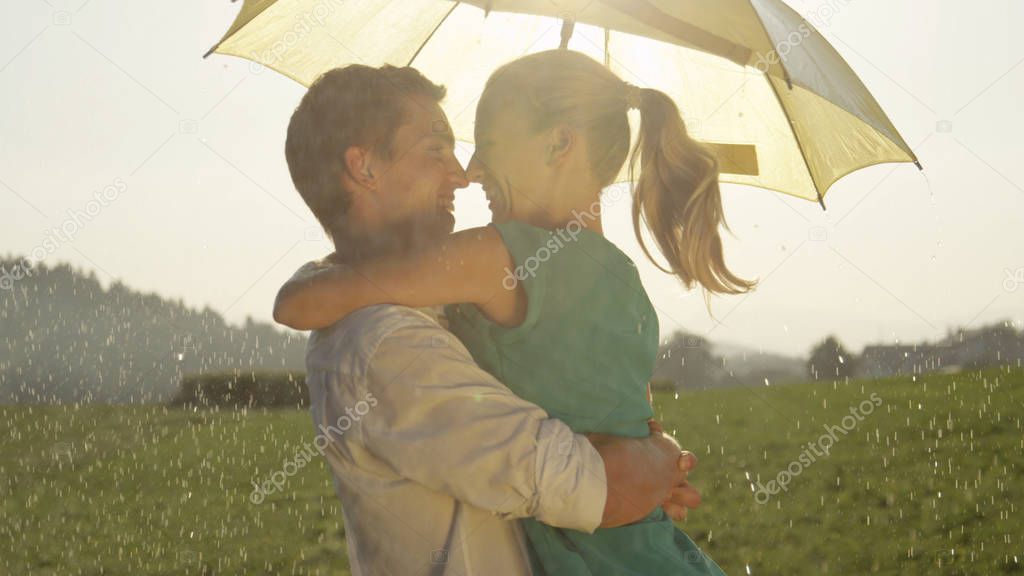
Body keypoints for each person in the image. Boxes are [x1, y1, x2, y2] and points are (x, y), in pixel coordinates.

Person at [276, 49, 754, 575]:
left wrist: (649, 452)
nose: (464, 174)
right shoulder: (382, 343)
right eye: (437, 149)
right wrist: (662, 460)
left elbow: (611, 428)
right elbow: (600, 489)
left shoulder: (461, 290)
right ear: (364, 166)